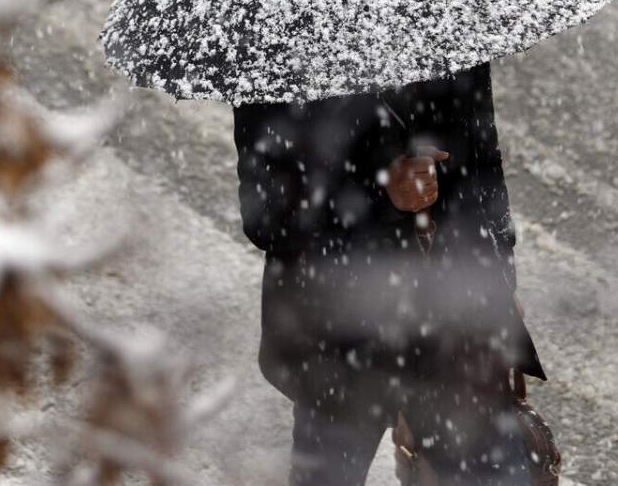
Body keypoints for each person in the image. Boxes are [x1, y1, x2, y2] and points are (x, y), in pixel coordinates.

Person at [233, 62, 545, 486]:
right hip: (339, 339)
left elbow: (482, 154)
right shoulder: (282, 44)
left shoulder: (443, 10)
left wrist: (501, 274)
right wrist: (381, 192)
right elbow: (267, 214)